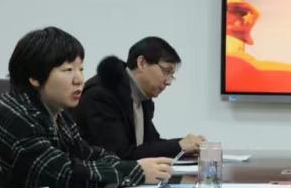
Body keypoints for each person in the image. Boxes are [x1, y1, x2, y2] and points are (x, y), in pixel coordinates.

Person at [0, 27, 174, 188]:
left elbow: (88, 154)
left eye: (81, 69)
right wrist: (134, 171)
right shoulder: (16, 115)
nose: (79, 79)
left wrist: (131, 167)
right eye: (68, 70)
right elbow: (62, 176)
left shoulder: (57, 114)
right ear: (35, 77)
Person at [75, 36, 205, 159]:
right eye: (166, 71)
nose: (169, 81)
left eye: (172, 75)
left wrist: (186, 145)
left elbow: (151, 145)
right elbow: (118, 155)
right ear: (142, 63)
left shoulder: (143, 98)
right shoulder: (102, 95)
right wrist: (179, 146)